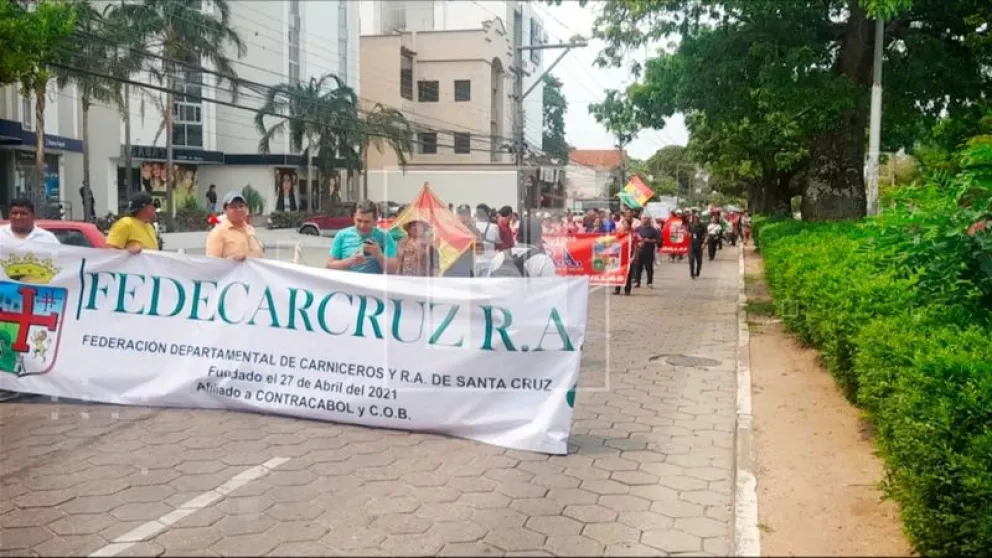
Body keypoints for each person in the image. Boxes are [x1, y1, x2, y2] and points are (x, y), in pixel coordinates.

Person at [326, 200, 397, 274]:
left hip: (373, 284)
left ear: (375, 221)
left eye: (367, 222)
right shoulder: (342, 235)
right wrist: (351, 260)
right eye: (359, 220)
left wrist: (378, 255)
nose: (362, 225)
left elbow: (393, 270)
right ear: (354, 217)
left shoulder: (384, 236)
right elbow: (329, 266)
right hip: (348, 283)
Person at [205, 191, 264, 261]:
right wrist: (231, 261)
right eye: (233, 207)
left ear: (246, 209)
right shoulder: (218, 233)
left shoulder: (250, 229)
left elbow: (259, 256)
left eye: (241, 206)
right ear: (225, 210)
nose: (238, 210)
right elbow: (211, 264)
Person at [488, 217, 556, 277]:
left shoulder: (499, 257)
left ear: (518, 235)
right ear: (539, 238)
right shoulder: (544, 261)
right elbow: (549, 288)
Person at [633, 215, 660, 288]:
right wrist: (637, 243)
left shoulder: (653, 230)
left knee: (649, 268)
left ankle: (649, 282)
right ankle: (637, 282)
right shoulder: (637, 229)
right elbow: (633, 239)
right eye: (643, 218)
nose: (645, 220)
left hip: (649, 252)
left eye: (646, 218)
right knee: (638, 267)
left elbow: (657, 240)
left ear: (649, 220)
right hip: (639, 252)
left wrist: (649, 240)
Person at [687, 212, 707, 279]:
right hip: (691, 245)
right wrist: (688, 234)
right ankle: (692, 274)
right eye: (695, 217)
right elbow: (687, 232)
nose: (696, 219)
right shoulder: (690, 225)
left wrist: (704, 243)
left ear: (699, 218)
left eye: (697, 218)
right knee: (691, 260)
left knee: (699, 261)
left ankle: (698, 272)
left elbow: (706, 235)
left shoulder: (702, 225)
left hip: (699, 245)